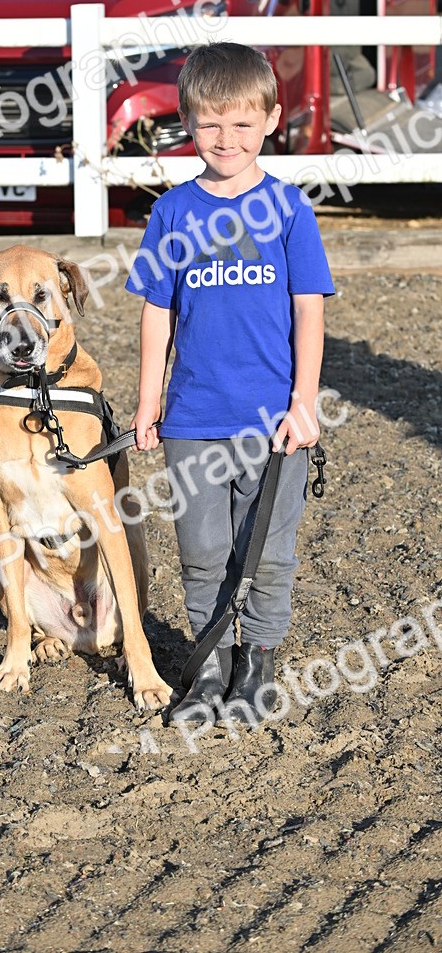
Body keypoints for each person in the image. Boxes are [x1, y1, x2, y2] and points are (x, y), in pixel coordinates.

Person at [126, 42, 334, 729]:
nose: (226, 140)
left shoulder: (288, 209)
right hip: (193, 419)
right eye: (210, 125)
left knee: (269, 552)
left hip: (275, 422)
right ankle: (208, 666)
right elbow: (159, 311)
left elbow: (310, 308)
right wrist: (149, 400)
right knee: (203, 552)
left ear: (270, 121)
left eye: (242, 125)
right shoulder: (173, 213)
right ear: (189, 124)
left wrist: (304, 403)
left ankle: (258, 664)